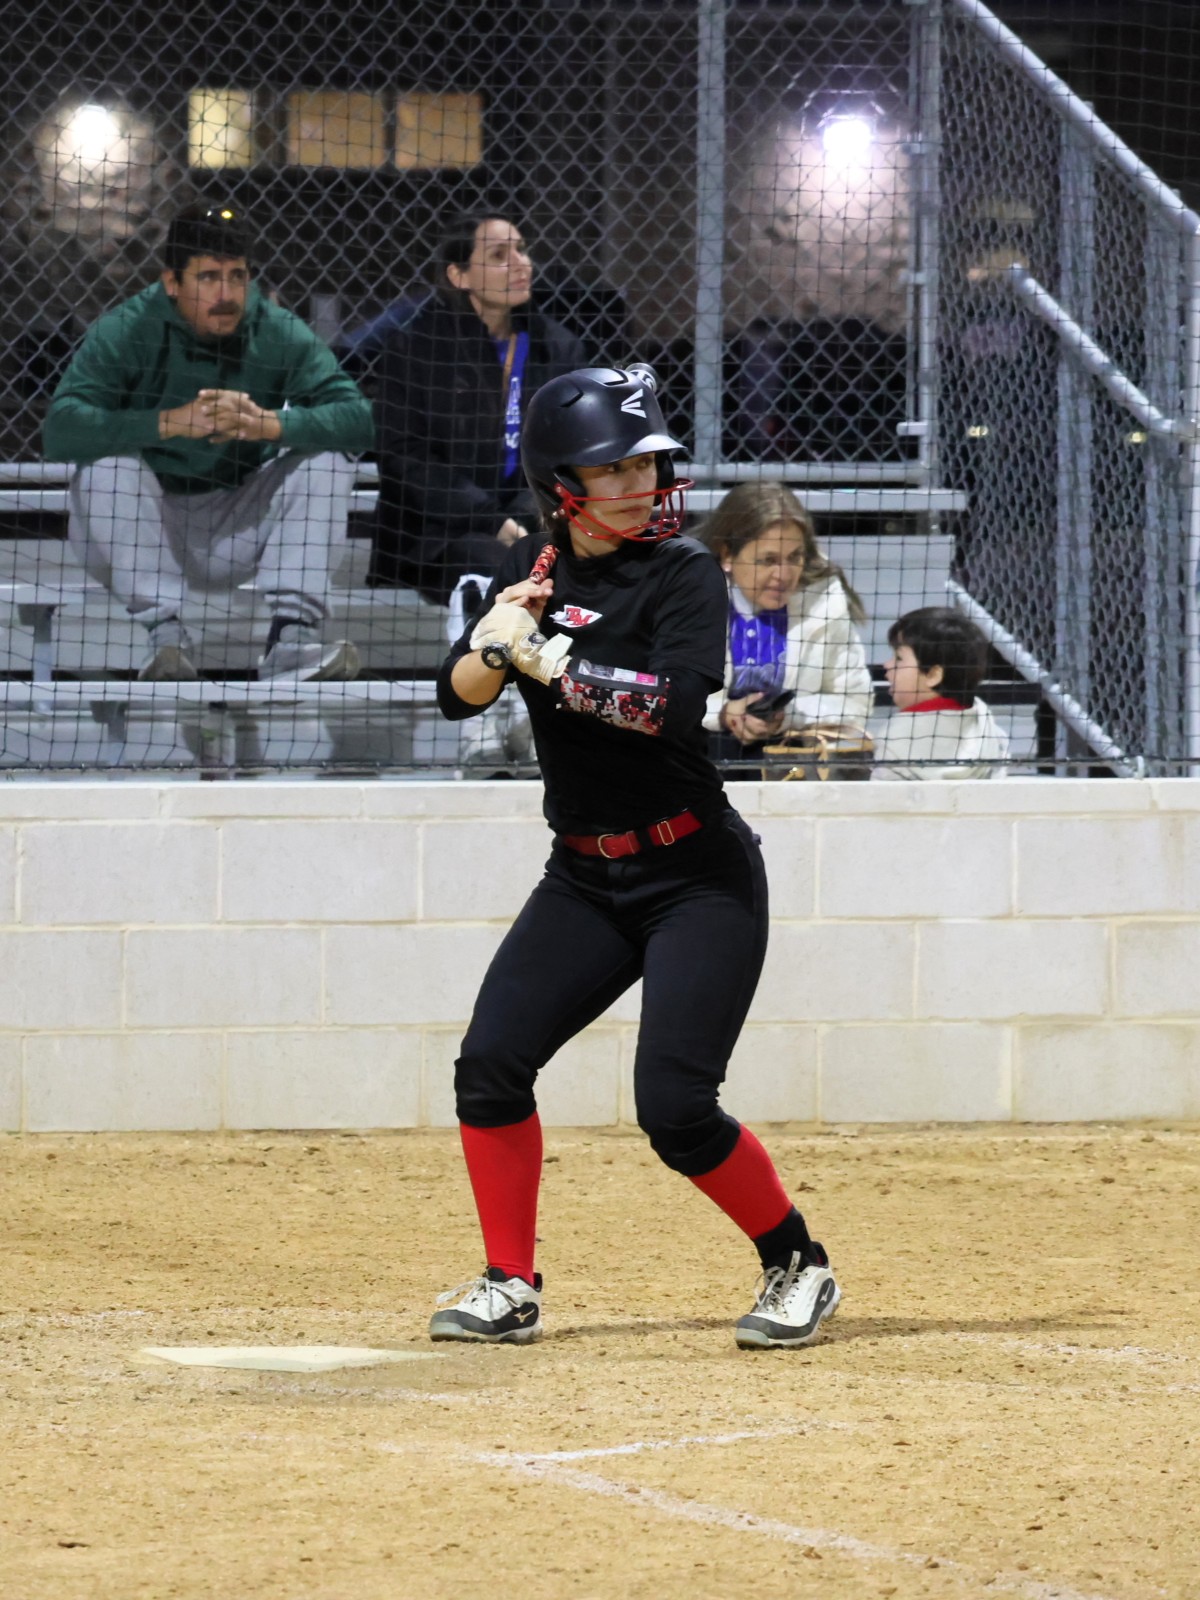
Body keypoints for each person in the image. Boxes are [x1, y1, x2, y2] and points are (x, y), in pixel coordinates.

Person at [430, 365, 840, 1351]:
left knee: (675, 1107)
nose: (640, 484)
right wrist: (495, 644)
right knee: (490, 1065)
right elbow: (456, 696)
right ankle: (509, 1281)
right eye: (613, 469)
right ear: (561, 482)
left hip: (697, 874)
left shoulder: (684, 571)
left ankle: (797, 1259)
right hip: (584, 874)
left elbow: (672, 706)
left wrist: (551, 663)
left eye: (648, 463)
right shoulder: (535, 567)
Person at [42, 204, 373, 683]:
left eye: (238, 276)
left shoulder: (274, 328)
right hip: (140, 532)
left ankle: (291, 639)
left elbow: (359, 420)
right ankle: (166, 638)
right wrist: (167, 423)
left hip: (236, 526)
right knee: (107, 465)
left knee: (326, 456)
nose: (227, 294)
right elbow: (61, 429)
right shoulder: (129, 327)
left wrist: (272, 426)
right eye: (209, 277)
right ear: (172, 282)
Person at [370, 211, 585, 605]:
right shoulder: (418, 348)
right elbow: (406, 456)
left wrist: (523, 517)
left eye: (521, 250)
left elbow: (564, 449)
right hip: (436, 535)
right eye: (500, 255)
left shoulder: (556, 346)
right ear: (459, 276)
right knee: (507, 568)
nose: (521, 263)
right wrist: (491, 519)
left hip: (530, 521)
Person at [696, 481, 873, 769]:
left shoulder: (826, 601)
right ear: (727, 555)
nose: (784, 575)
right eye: (768, 560)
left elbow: (856, 703)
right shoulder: (690, 596)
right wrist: (725, 712)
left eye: (794, 558)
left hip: (793, 760)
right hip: (698, 756)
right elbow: (665, 695)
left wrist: (788, 715)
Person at [876, 606, 1010, 779]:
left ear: (933, 675)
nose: (887, 665)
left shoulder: (892, 741)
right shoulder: (993, 735)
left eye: (899, 658)